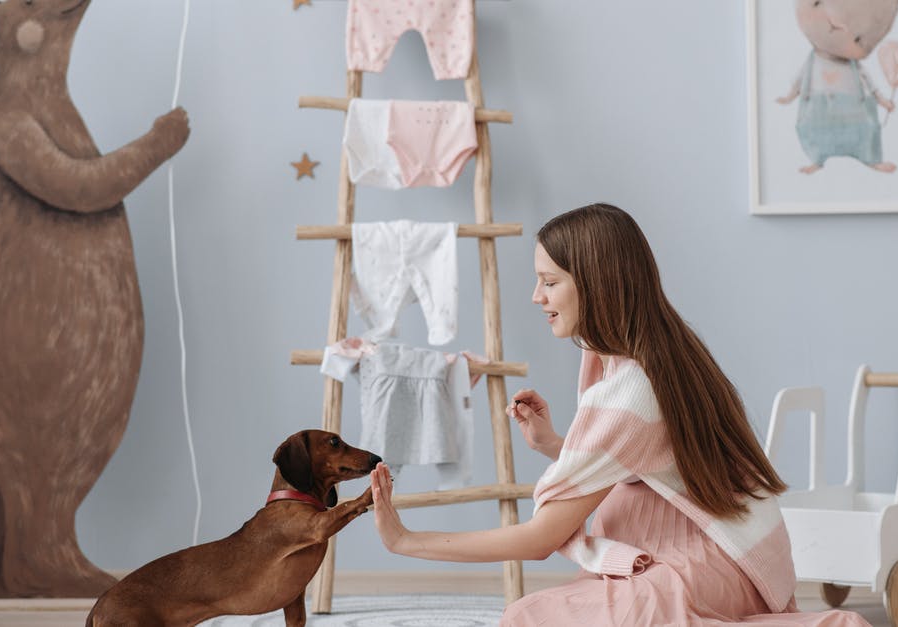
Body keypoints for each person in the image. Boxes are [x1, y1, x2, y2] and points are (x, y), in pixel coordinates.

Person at [369, 203, 868, 625]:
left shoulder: (630, 388)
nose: (537, 297)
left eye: (549, 281)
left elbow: (542, 538)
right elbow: (652, 464)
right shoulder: (656, 349)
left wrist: (407, 540)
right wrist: (553, 445)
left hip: (711, 566)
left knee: (525, 618)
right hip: (736, 557)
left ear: (596, 284)